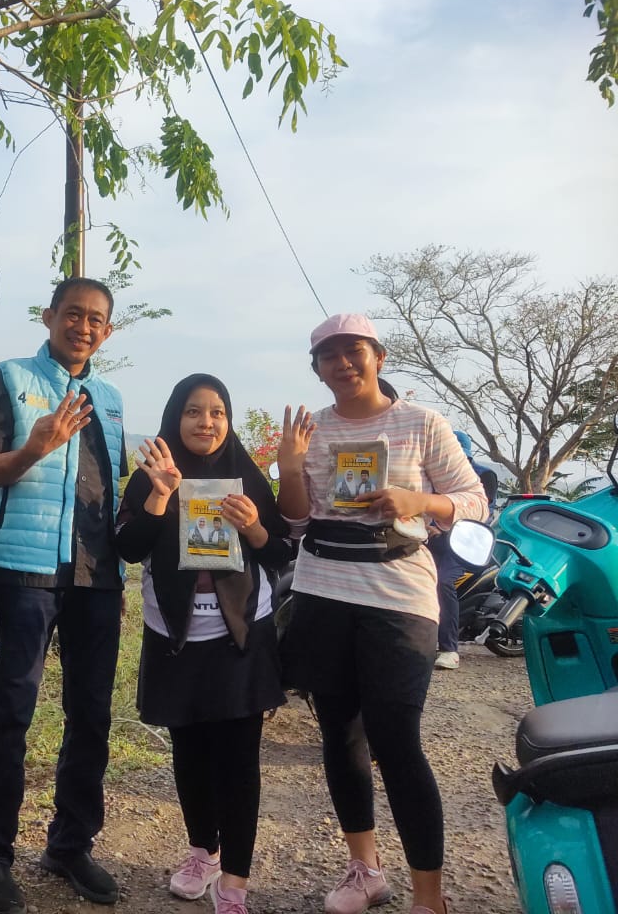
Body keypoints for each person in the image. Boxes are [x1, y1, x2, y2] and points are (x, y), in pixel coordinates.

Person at [277, 314, 487, 914]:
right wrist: (290, 467)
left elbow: (475, 503)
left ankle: (429, 896)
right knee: (339, 734)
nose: (342, 363)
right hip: (322, 589)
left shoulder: (423, 423)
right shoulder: (310, 430)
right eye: (328, 356)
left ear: (379, 356)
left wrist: (418, 499)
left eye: (354, 351)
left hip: (399, 595)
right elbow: (295, 523)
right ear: (316, 368)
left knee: (396, 740)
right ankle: (364, 870)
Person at [0, 277, 127, 914]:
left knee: (90, 716)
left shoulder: (110, 398)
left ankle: (70, 845)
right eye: (73, 315)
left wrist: (113, 572)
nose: (83, 326)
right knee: (12, 711)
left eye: (96, 319)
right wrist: (36, 446)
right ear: (49, 316)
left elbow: (109, 492)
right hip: (26, 572)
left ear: (107, 331)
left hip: (94, 576)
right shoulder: (9, 377)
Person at [116, 375, 291, 914]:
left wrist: (256, 527)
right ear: (175, 417)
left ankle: (234, 881)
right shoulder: (151, 476)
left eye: (217, 412)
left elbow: (280, 552)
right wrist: (160, 497)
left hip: (241, 635)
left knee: (239, 761)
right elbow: (126, 546)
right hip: (175, 633)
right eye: (194, 411)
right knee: (189, 752)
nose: (207, 422)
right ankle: (202, 852)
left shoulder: (247, 476)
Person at [432, 431, 498, 670]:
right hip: (435, 540)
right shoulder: (434, 473)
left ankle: (449, 649)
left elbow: (481, 513)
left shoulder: (484, 475)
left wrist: (441, 526)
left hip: (465, 543)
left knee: (443, 582)